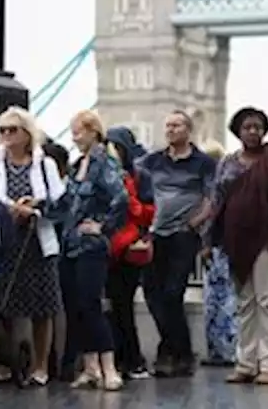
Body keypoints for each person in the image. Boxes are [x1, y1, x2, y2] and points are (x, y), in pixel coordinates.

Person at [210, 107, 268, 385]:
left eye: (257, 127)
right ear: (238, 132)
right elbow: (217, 200)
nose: (252, 131)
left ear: (264, 131)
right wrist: (209, 240)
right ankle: (246, 363)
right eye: (246, 127)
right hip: (236, 239)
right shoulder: (228, 163)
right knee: (245, 301)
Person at [0, 106, 65, 387]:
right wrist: (11, 208)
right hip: (6, 239)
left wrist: (35, 208)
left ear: (26, 133)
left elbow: (59, 201)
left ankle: (41, 365)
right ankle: (6, 361)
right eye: (3, 130)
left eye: (13, 130)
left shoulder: (45, 164)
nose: (7, 135)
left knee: (42, 307)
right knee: (4, 303)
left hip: (37, 241)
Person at [142, 111, 216, 378]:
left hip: (183, 236)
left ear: (188, 130)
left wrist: (193, 224)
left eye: (176, 125)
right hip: (157, 234)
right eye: (168, 125)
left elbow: (211, 199)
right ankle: (177, 349)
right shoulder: (153, 161)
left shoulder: (203, 163)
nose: (171, 130)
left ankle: (173, 352)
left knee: (173, 293)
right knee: (153, 292)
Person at [61, 110, 129, 391]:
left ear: (92, 131)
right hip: (71, 244)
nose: (75, 137)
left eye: (78, 131)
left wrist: (103, 227)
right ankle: (91, 368)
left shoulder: (104, 163)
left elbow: (121, 198)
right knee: (76, 306)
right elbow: (65, 202)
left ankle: (109, 367)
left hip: (91, 246)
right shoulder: (78, 164)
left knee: (92, 304)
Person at [104, 126, 156, 381]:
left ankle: (131, 359)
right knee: (111, 307)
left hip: (127, 248)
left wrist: (130, 201)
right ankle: (118, 358)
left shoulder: (140, 176)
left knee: (122, 305)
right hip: (105, 247)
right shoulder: (100, 173)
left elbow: (148, 212)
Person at [199, 140, 238, 367]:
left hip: (221, 247)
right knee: (217, 302)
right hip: (216, 248)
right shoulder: (214, 188)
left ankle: (224, 350)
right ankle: (220, 350)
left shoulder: (220, 189)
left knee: (221, 302)